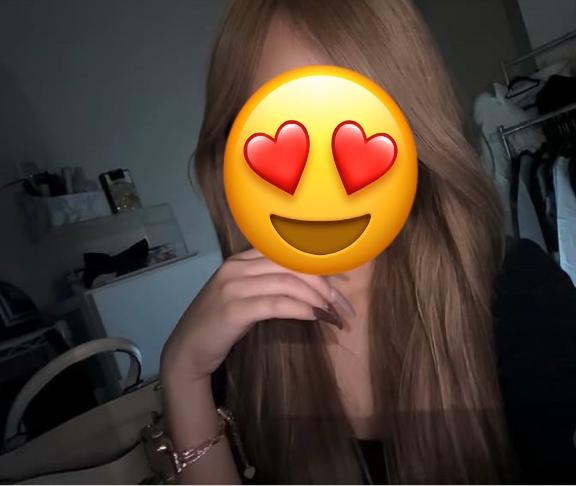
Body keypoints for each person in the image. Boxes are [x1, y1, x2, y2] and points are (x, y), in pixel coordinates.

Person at [160, 0, 576, 483]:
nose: (322, 183)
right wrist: (183, 373)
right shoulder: (233, 343)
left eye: (351, 127)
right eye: (285, 131)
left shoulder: (520, 296)